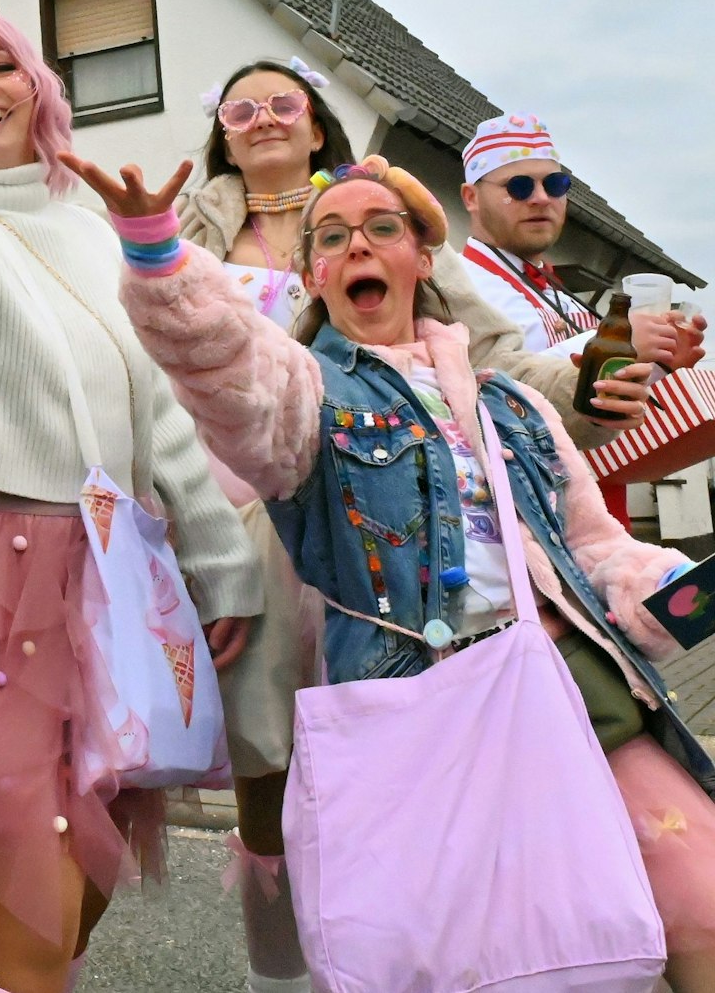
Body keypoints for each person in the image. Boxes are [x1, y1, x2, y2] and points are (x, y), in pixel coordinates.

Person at [97, 151, 715, 990]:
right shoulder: (307, 400)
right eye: (332, 236)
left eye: (382, 228)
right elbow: (228, 367)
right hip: (421, 703)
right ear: (314, 275)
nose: (357, 244)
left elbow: (591, 540)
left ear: (423, 259)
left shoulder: (514, 402)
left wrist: (661, 586)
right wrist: (157, 253)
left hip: (574, 679)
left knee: (700, 898)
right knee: (485, 958)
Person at [0, 2, 258, 993]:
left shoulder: (91, 231)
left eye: (0, 66)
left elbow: (156, 411)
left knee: (78, 895)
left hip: (107, 576)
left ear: (39, 86)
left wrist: (219, 561)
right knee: (35, 905)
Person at [455, 113, 701, 365]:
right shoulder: (451, 284)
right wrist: (610, 344)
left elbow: (592, 388)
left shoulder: (564, 298)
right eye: (519, 186)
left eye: (555, 185)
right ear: (472, 198)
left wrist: (659, 362)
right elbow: (481, 380)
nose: (541, 198)